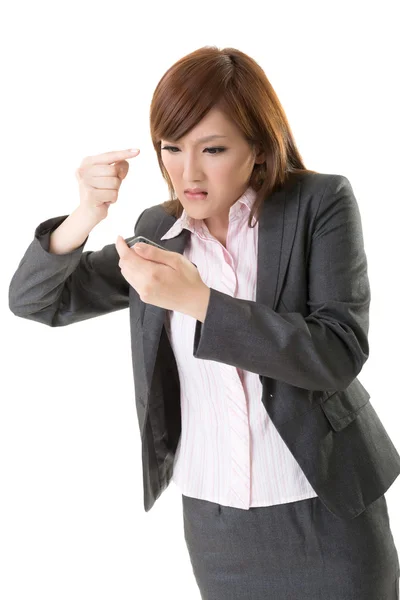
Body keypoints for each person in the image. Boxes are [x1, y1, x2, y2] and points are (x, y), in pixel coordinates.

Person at [8, 45, 400, 599]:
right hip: (218, 524)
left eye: (212, 149)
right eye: (171, 148)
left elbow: (336, 352)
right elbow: (35, 300)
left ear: (259, 148)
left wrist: (203, 303)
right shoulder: (157, 233)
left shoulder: (320, 203)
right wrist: (87, 212)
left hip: (327, 508)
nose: (186, 173)